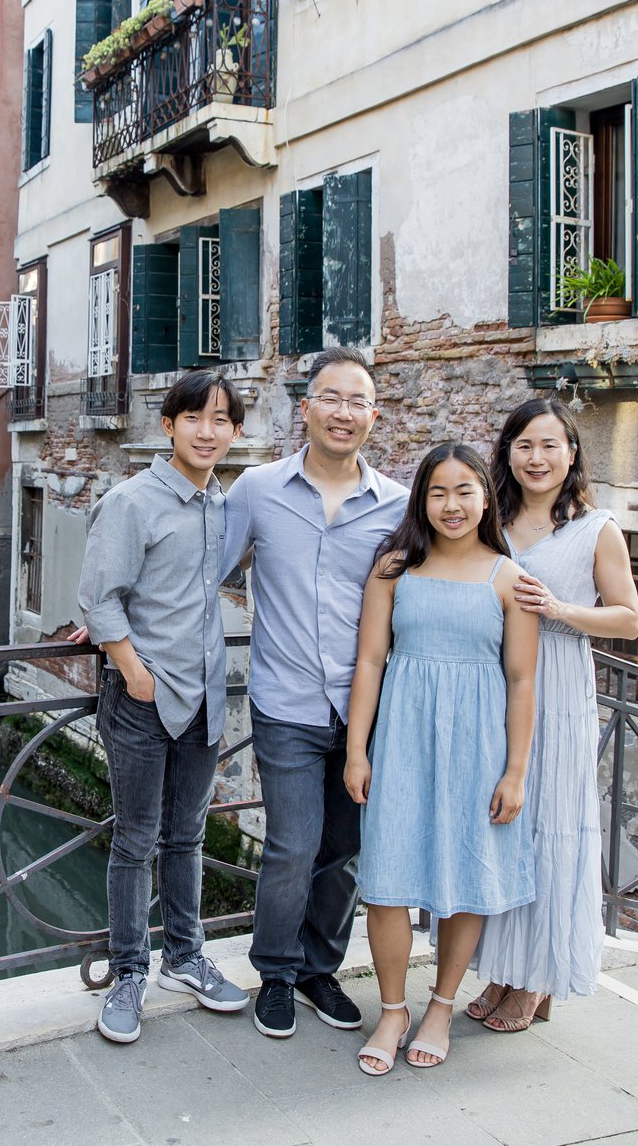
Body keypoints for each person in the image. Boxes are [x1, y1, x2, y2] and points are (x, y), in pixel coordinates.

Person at [221, 347, 408, 1039]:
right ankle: (274, 969)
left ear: (373, 416)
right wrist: (114, 620)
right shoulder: (258, 490)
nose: (343, 413)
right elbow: (201, 569)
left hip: (366, 709)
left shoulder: (395, 505)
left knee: (346, 847)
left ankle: (317, 967)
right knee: (293, 845)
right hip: (287, 701)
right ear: (306, 408)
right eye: (331, 398)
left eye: (357, 401)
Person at [342, 442, 539, 1074]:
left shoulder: (509, 579)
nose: (451, 505)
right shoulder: (394, 568)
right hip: (402, 738)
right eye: (437, 492)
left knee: (469, 874)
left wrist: (515, 771)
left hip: (479, 744)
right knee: (387, 876)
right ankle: (393, 1008)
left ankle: (441, 1005)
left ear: (486, 496)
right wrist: (356, 750)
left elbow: (521, 681)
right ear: (421, 500)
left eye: (464, 491)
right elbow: (369, 661)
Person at [79, 370, 251, 1043]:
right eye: (195, 417)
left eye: (221, 421)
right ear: (169, 424)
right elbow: (101, 599)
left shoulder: (223, 506)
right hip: (143, 698)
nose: (207, 431)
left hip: (205, 692)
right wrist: (133, 670)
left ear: (235, 433)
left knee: (188, 836)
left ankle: (184, 955)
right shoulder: (132, 501)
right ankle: (128, 973)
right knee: (134, 840)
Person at [468, 397, 638, 1033]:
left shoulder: (598, 529)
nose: (536, 459)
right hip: (491, 690)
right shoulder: (490, 524)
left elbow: (627, 618)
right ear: (507, 454)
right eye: (524, 446)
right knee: (503, 826)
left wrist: (561, 609)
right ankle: (505, 967)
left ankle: (538, 977)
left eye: (550, 446)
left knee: (552, 828)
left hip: (560, 689)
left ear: (571, 454)